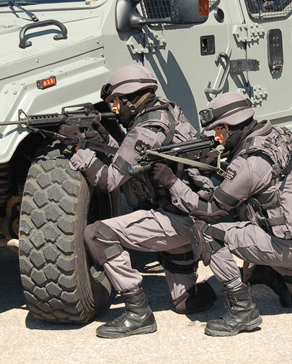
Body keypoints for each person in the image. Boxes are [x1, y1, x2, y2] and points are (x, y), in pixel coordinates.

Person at [151, 92, 292, 337]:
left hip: (285, 248)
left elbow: (211, 210)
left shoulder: (250, 163)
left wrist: (171, 181)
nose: (217, 138)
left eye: (219, 130)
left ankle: (242, 308)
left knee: (209, 233)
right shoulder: (275, 135)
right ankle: (270, 272)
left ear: (231, 127)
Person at [71, 64, 220, 339]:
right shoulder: (162, 114)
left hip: (182, 219)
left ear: (130, 97)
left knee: (97, 234)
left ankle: (138, 312)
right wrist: (100, 138)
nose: (114, 109)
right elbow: (132, 161)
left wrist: (80, 153)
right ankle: (238, 279)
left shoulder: (149, 126)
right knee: (186, 303)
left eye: (116, 102)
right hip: (190, 214)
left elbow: (108, 181)